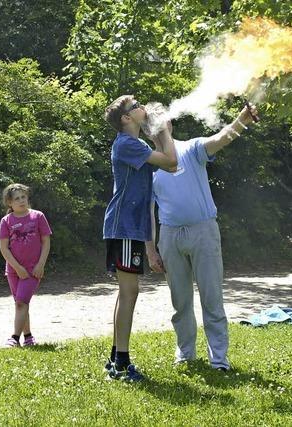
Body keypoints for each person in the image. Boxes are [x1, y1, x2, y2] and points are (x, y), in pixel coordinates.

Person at [147, 104, 258, 371]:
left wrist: (242, 118)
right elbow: (147, 213)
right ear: (147, 132)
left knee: (212, 297)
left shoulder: (192, 149)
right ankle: (185, 354)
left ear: (170, 124)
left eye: (162, 122)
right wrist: (151, 249)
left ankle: (218, 359)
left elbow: (222, 138)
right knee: (180, 301)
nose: (159, 128)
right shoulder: (147, 164)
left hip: (203, 231)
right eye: (152, 124)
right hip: (170, 237)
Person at [102, 95, 177, 382]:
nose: (140, 107)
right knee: (130, 292)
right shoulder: (127, 144)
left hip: (131, 227)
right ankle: (121, 362)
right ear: (126, 118)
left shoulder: (136, 145)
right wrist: (165, 133)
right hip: (124, 226)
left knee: (127, 292)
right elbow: (171, 159)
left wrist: (159, 133)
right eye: (135, 106)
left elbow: (169, 164)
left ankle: (116, 358)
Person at [0, 183, 52, 348]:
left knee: (21, 302)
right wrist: (17, 268)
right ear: (9, 203)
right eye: (17, 199)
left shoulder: (38, 217)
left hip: (33, 271)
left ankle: (14, 338)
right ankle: (28, 337)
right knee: (21, 303)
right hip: (14, 271)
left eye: (24, 197)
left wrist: (40, 265)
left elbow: (46, 242)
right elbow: (3, 248)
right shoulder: (6, 221)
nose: (21, 201)